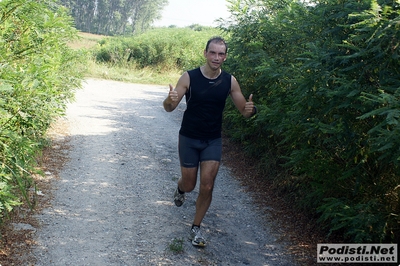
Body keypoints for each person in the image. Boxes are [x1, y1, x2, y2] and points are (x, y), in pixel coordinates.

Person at [163, 36, 256, 247]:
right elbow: (169, 107)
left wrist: (252, 110)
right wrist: (170, 99)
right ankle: (180, 189)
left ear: (225, 56)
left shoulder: (229, 81)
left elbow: (244, 111)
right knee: (189, 183)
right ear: (205, 53)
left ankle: (195, 228)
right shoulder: (189, 77)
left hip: (212, 140)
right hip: (189, 137)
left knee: (207, 185)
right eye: (212, 52)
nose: (216, 57)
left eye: (221, 53)